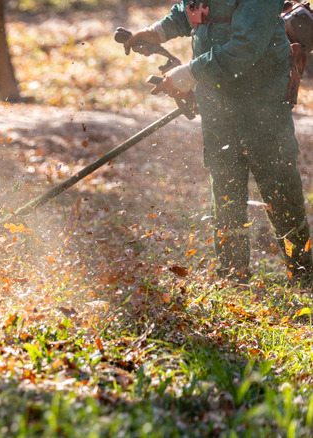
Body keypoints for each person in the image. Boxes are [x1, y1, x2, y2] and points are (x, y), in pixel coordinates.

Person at [124, 0, 313, 284]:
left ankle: (302, 272)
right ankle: (232, 275)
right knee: (225, 186)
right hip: (216, 99)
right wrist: (157, 32)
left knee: (279, 185)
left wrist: (189, 74)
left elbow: (245, 47)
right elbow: (195, 8)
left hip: (261, 100)